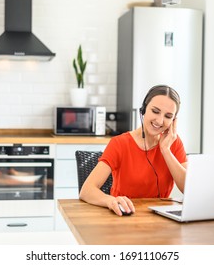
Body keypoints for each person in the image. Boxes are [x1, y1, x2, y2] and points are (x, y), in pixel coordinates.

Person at [79, 85, 188, 216]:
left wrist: (166, 151)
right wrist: (110, 201)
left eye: (168, 116)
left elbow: (188, 189)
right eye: (155, 111)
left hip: (160, 219)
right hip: (125, 216)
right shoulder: (119, 143)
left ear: (173, 121)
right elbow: (86, 190)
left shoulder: (173, 143)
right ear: (143, 110)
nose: (160, 120)